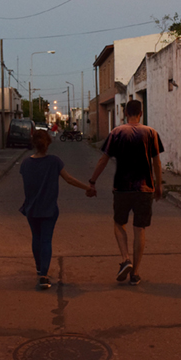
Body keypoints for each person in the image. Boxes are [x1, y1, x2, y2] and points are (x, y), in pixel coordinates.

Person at [88, 100, 164, 286]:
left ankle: (125, 259)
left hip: (122, 188)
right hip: (145, 188)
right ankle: (135, 274)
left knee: (118, 224)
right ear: (141, 112)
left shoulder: (116, 132)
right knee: (140, 229)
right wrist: (158, 185)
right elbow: (157, 162)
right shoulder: (151, 133)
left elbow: (103, 160)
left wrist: (92, 181)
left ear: (124, 112)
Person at [20, 130, 96, 290]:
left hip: (31, 208)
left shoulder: (25, 164)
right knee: (46, 240)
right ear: (48, 144)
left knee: (36, 237)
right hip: (48, 209)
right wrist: (87, 188)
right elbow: (69, 179)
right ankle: (44, 276)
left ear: (33, 143)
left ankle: (39, 267)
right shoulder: (54, 162)